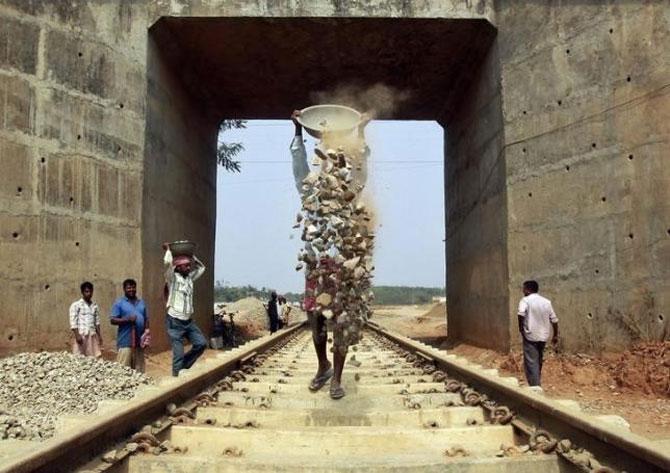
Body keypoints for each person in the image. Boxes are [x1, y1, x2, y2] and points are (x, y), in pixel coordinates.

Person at [290, 109, 371, 400]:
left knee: (342, 327)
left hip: (344, 269)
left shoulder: (350, 191)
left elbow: (361, 166)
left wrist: (360, 131)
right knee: (317, 328)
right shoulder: (309, 190)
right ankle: (322, 365)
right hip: (317, 269)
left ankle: (336, 378)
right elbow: (299, 166)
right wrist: (298, 130)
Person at [163, 243, 208, 376]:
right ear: (178, 267)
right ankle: (176, 376)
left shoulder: (189, 279)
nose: (189, 268)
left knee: (201, 344)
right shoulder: (172, 278)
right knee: (178, 353)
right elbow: (167, 264)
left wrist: (192, 256)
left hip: (188, 321)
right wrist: (168, 251)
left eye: (189, 265)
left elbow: (202, 268)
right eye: (186, 265)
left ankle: (184, 366)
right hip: (174, 321)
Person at [517, 280, 559, 387]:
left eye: (523, 288)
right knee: (538, 360)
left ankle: (535, 387)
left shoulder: (525, 300)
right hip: (543, 336)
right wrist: (555, 335)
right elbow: (554, 320)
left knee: (531, 362)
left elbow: (520, 314)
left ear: (527, 289)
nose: (522, 291)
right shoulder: (546, 302)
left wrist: (521, 328)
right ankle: (536, 382)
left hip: (530, 335)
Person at [111, 279, 148, 373]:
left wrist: (146, 334)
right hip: (125, 342)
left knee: (139, 371)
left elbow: (146, 319)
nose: (131, 289)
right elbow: (113, 320)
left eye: (133, 287)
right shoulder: (119, 303)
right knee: (123, 370)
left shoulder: (141, 302)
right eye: (129, 288)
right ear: (124, 289)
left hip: (139, 342)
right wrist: (127, 319)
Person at [69, 281, 102, 357]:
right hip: (82, 334)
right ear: (82, 292)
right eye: (86, 292)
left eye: (90, 291)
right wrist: (77, 335)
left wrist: (99, 336)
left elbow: (96, 322)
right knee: (79, 356)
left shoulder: (94, 306)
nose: (89, 294)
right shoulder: (76, 305)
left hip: (92, 334)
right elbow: (73, 321)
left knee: (92, 356)